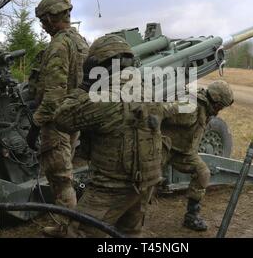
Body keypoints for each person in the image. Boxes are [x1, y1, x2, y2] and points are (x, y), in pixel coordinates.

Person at [53, 34, 181, 238]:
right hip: (146, 181)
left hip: (112, 186)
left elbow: (62, 118)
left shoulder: (107, 97)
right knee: (129, 232)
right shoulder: (147, 88)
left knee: (79, 232)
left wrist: (85, 85)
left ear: (102, 65)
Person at [27, 0, 89, 237]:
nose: (42, 25)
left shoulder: (59, 45)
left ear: (53, 18)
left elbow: (53, 95)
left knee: (61, 177)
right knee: (67, 170)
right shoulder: (81, 41)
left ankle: (69, 229)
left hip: (57, 122)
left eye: (43, 20)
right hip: (75, 117)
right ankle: (68, 224)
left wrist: (35, 124)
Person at [162, 80, 234, 231]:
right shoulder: (191, 106)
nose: (220, 110)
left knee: (203, 172)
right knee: (148, 181)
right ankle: (132, 221)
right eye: (220, 106)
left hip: (183, 152)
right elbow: (163, 110)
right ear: (214, 100)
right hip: (163, 148)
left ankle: (191, 216)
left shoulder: (205, 108)